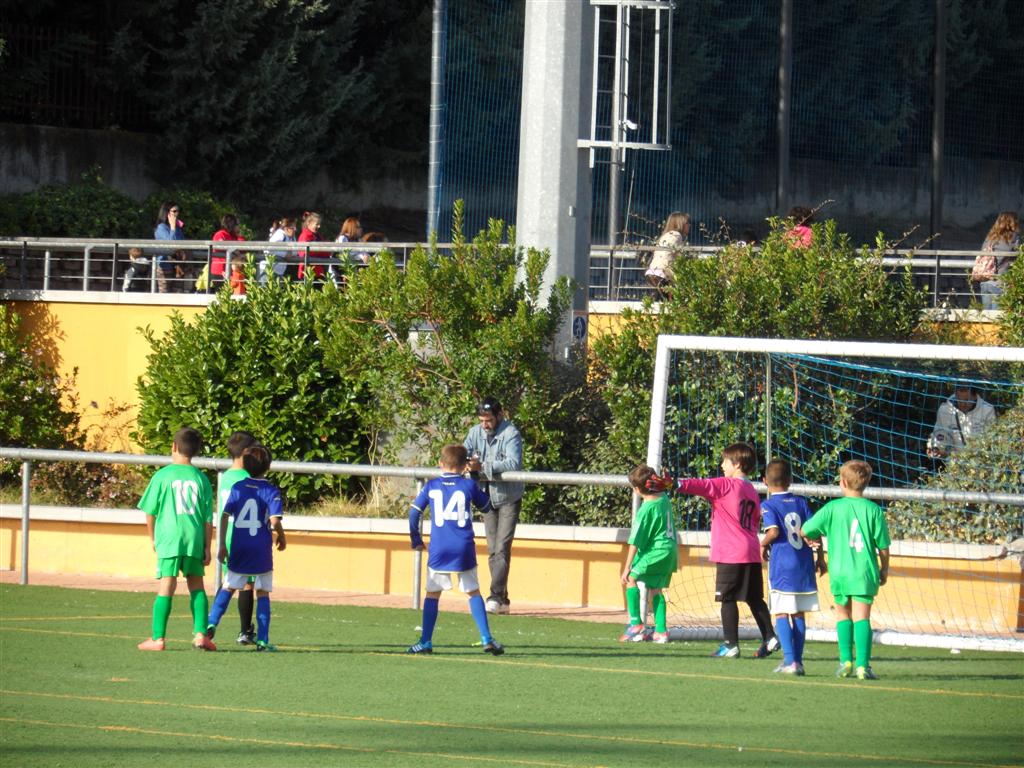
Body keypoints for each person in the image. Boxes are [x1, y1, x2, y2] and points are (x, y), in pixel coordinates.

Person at [674, 442, 778, 658]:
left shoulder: (726, 485)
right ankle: (770, 637)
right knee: (754, 598)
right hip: (751, 550)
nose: (722, 465)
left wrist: (675, 483)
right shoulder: (752, 490)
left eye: (725, 461)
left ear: (737, 464)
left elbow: (700, 485)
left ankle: (731, 645)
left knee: (727, 598)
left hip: (731, 552)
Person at [406, 444, 504, 656]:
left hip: (439, 548)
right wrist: (474, 476)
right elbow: (487, 507)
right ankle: (486, 638)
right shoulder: (468, 485)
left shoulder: (431, 486)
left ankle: (425, 641)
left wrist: (416, 539)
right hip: (463, 547)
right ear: (464, 466)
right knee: (473, 591)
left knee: (433, 593)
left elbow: (414, 513)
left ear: (440, 463)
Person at [801, 460, 891, 680]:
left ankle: (845, 661)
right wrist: (884, 570)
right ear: (866, 483)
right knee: (862, 617)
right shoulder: (873, 510)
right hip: (864, 573)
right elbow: (883, 547)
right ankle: (862, 666)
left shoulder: (832, 508)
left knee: (843, 615)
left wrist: (811, 539)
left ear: (842, 482)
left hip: (840, 572)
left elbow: (805, 530)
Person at [137, 426, 216, 651]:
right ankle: (201, 635)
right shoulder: (201, 479)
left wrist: (153, 538)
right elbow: (207, 518)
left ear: (174, 446)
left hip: (169, 539)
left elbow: (150, 512)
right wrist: (207, 546)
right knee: (197, 586)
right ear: (196, 451)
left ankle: (158, 639)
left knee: (167, 585)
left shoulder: (162, 476)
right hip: (194, 539)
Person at [205, 443, 286, 652]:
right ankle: (263, 640)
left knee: (228, 587)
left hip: (239, 547)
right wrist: (282, 536)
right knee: (263, 593)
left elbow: (224, 516)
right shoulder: (271, 490)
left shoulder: (238, 487)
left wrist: (222, 545)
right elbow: (275, 521)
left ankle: (211, 623)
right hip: (260, 550)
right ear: (268, 466)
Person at [759, 459, 825, 675]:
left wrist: (762, 544)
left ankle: (789, 661)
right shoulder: (801, 502)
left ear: (764, 481)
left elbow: (774, 532)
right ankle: (798, 661)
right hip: (803, 565)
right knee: (798, 614)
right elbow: (814, 531)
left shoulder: (768, 505)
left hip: (782, 568)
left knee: (780, 613)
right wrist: (821, 558)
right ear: (790, 480)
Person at [463, 397, 524, 615]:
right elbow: (464, 452)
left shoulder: (511, 433)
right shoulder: (474, 432)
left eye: (488, 420)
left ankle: (495, 596)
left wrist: (482, 466)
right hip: (486, 498)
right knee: (492, 549)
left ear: (499, 416)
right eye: (481, 420)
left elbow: (513, 463)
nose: (484, 425)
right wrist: (466, 463)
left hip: (508, 498)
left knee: (501, 548)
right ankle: (503, 599)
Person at [619, 465, 678, 644]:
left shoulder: (646, 509)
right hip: (670, 550)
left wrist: (627, 567)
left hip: (657, 551)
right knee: (656, 589)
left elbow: (635, 541)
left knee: (630, 579)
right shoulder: (664, 498)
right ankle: (661, 631)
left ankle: (636, 624)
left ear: (637, 489)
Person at [218, 430, 258, 645]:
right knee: (247, 584)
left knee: (229, 582)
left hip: (228, 536)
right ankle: (245, 631)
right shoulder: (249, 479)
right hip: (245, 537)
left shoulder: (225, 477)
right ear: (247, 452)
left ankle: (209, 625)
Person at [926, 383, 996, 460]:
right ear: (955, 395)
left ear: (975, 396)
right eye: (959, 400)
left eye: (967, 400)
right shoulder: (945, 410)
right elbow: (939, 434)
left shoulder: (987, 410)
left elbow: (992, 439)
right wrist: (937, 448)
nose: (963, 404)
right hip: (954, 461)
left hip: (981, 460)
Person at [972, 212, 1020, 310]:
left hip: (985, 280)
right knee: (997, 316)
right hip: (1000, 282)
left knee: (987, 315)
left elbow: (983, 252)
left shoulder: (991, 236)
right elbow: (1019, 255)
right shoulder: (1014, 237)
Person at [645, 212, 691, 291]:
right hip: (663, 273)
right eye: (687, 223)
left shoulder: (665, 235)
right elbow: (678, 256)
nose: (689, 225)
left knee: (662, 295)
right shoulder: (677, 235)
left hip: (653, 270)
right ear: (680, 224)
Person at [154, 201, 185, 293]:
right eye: (174, 211)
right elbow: (171, 245)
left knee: (177, 293)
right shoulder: (161, 228)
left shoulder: (178, 228)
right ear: (167, 212)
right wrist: (172, 227)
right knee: (165, 294)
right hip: (165, 266)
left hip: (178, 266)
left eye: (178, 211)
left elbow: (183, 243)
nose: (177, 214)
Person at [211, 214, 246, 289]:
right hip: (220, 271)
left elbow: (243, 248)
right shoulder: (220, 234)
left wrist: (239, 234)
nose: (238, 226)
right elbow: (222, 245)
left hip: (231, 270)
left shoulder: (233, 236)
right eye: (236, 224)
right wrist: (236, 252)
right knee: (221, 292)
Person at [297, 211, 330, 281]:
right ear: (309, 223)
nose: (319, 226)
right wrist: (323, 251)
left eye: (319, 224)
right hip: (307, 272)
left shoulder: (318, 236)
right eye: (317, 224)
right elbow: (304, 253)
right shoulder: (305, 236)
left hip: (318, 272)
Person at [261, 218, 297, 283]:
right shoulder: (280, 234)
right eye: (293, 228)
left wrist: (289, 254)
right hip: (268, 270)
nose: (295, 229)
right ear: (286, 228)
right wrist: (285, 254)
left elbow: (296, 252)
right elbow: (268, 249)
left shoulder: (292, 238)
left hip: (279, 272)